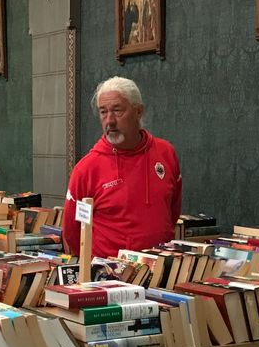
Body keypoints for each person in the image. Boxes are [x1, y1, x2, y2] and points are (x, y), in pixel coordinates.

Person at [63, 77, 182, 258]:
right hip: (108, 278)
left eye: (117, 111)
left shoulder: (166, 153)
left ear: (138, 111)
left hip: (159, 271)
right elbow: (73, 232)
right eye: (103, 112)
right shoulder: (86, 169)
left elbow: (172, 211)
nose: (109, 121)